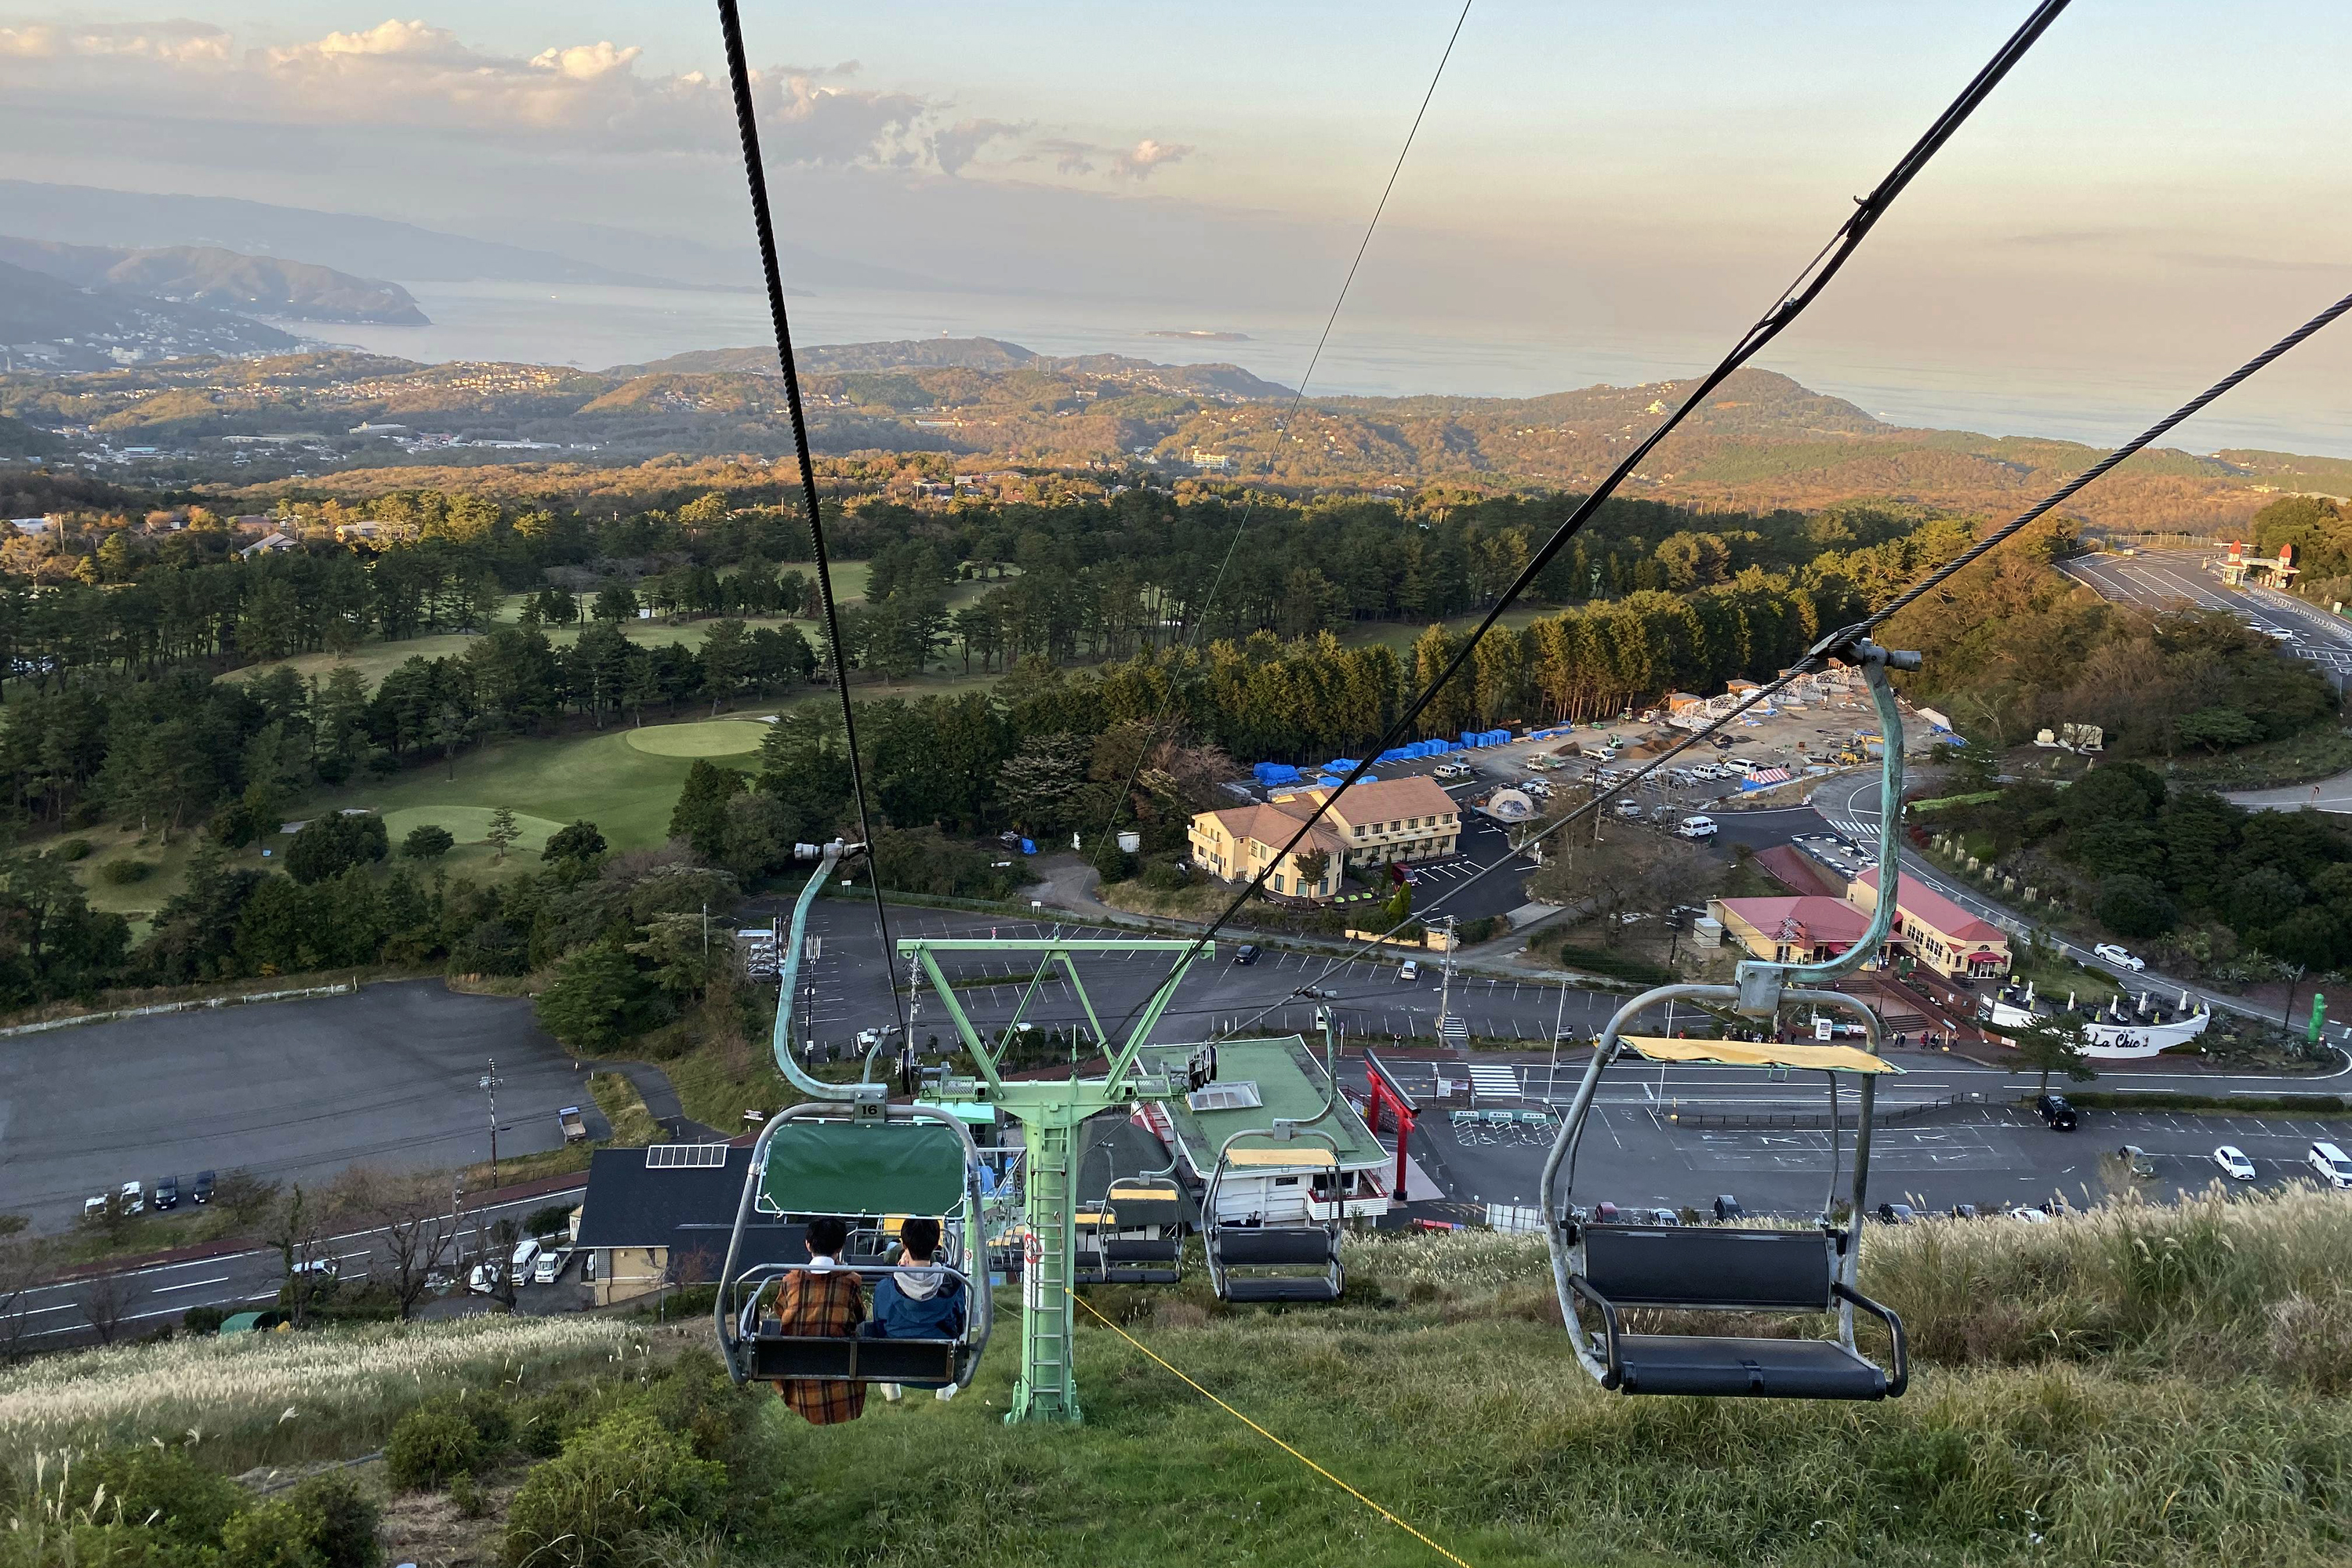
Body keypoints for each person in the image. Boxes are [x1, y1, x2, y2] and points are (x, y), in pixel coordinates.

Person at [768, 1215, 866, 1425]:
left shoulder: (790, 1281)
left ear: (808, 1244)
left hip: (800, 1388)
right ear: (840, 1246)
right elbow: (860, 1316)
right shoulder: (850, 1282)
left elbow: (780, 1312)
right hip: (843, 1393)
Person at [864, 1216, 967, 1404]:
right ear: (937, 1244)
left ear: (903, 1244)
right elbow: (960, 1326)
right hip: (942, 1370)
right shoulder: (954, 1286)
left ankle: (891, 1387)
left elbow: (879, 1329)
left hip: (895, 1368)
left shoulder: (885, 1289)